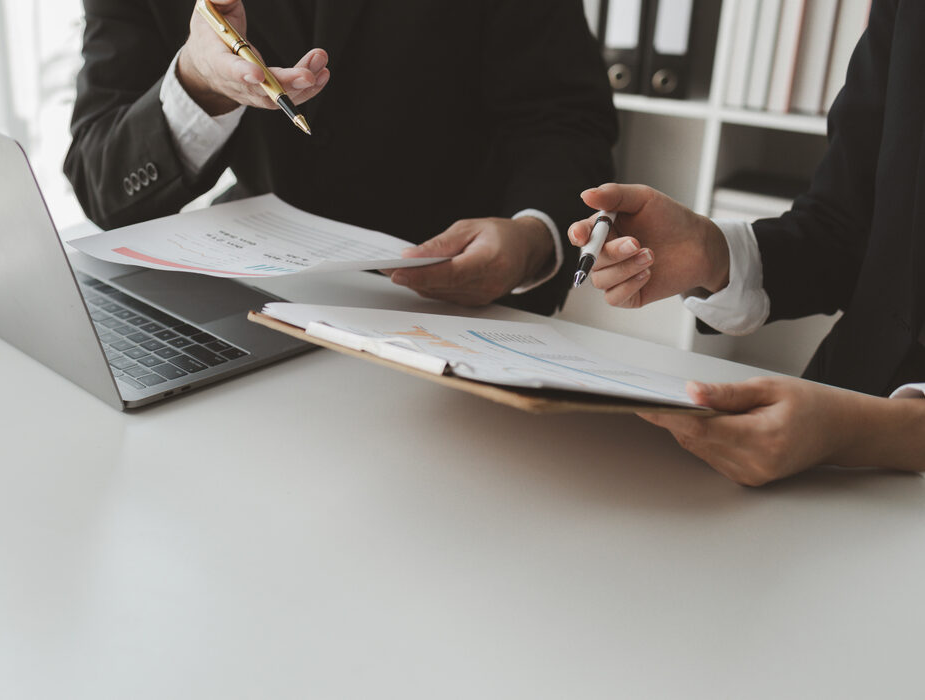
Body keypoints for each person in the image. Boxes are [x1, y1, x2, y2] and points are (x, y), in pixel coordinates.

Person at [566, 0, 925, 486]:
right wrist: (710, 252)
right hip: (838, 418)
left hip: (848, 436)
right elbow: (850, 229)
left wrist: (872, 433)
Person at [64, 0, 617, 314]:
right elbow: (102, 184)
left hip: (460, 308)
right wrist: (196, 85)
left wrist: (532, 238)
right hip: (255, 301)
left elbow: (566, 118)